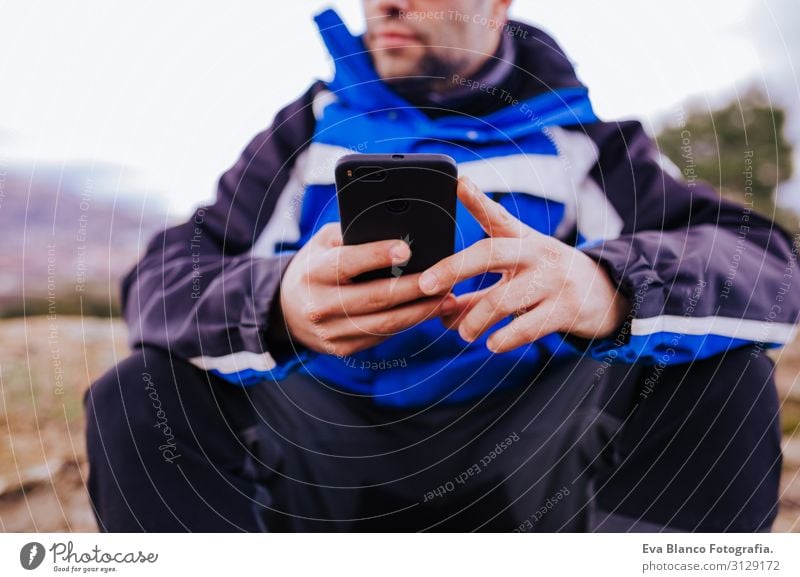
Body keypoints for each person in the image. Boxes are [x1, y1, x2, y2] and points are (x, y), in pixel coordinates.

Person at [84, 0, 800, 532]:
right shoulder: (303, 134)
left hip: (537, 461)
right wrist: (277, 303)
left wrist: (607, 286)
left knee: (723, 377)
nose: (385, 5)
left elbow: (765, 260)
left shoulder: (583, 140)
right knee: (138, 392)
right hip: (322, 451)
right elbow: (163, 277)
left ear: (497, 7)